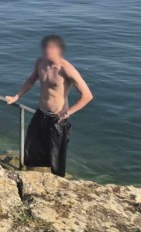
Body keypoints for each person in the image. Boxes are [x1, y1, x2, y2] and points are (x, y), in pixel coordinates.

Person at [6, 35, 93, 177]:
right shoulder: (40, 62)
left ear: (59, 50)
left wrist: (68, 112)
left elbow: (87, 95)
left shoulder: (67, 69)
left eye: (51, 48)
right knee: (31, 150)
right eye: (45, 47)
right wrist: (16, 96)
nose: (47, 51)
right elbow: (31, 80)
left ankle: (56, 188)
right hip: (40, 113)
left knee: (56, 159)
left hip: (58, 119)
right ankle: (30, 181)